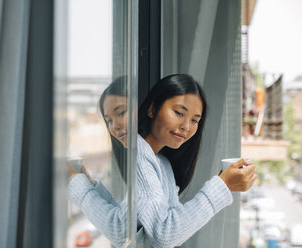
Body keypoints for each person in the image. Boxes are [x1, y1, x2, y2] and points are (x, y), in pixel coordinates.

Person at [67, 74, 257, 248]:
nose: (185, 126)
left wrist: (86, 185)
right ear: (151, 109)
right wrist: (223, 185)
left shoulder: (160, 162)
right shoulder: (140, 153)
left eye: (194, 120)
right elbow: (152, 232)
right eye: (179, 113)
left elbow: (131, 221)